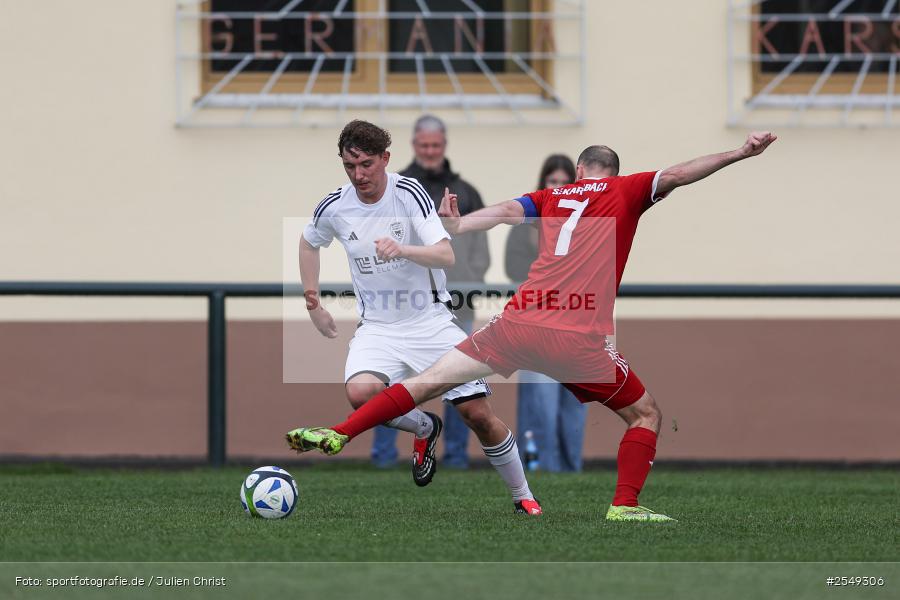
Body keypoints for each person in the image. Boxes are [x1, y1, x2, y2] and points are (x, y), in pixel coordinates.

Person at [288, 131, 777, 522]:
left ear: (580, 170)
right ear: (613, 173)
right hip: (574, 339)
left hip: (517, 324)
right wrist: (739, 152)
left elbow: (501, 213)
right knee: (645, 413)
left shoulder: (553, 194)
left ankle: (342, 432)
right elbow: (677, 174)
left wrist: (458, 225)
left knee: (422, 385)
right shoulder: (626, 188)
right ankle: (623, 506)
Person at [299, 119, 540, 514]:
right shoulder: (334, 205)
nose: (358, 175)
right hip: (377, 328)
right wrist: (314, 302)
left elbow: (446, 254)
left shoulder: (409, 193)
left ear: (385, 159)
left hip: (430, 322)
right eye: (349, 166)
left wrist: (403, 249)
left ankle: (523, 496)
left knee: (477, 414)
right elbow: (309, 243)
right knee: (360, 394)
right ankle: (424, 427)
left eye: (366, 165)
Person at [372, 115, 491, 469]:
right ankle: (383, 456)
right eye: (424, 145)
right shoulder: (396, 187)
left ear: (444, 145)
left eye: (435, 145)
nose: (429, 151)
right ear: (414, 145)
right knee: (395, 382)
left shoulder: (465, 191)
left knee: (459, 386)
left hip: (457, 305)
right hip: (404, 305)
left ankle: (455, 455)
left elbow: (479, 250)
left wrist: (468, 282)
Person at [505, 154, 587, 472]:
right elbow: (514, 268)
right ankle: (541, 467)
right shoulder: (526, 224)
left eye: (564, 181)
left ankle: (571, 468)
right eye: (552, 181)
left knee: (574, 400)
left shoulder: (586, 224)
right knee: (540, 399)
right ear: (543, 184)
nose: (558, 187)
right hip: (535, 323)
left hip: (576, 322)